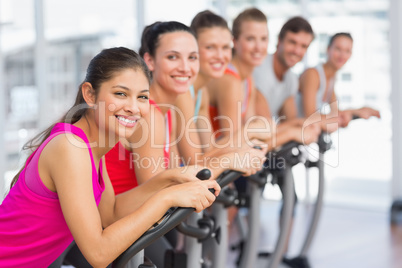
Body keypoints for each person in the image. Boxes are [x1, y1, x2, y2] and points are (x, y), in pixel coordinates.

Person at [0, 47, 221, 267]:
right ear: (90, 94)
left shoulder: (94, 147)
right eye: (121, 94)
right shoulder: (71, 147)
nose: (133, 108)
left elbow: (110, 214)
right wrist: (167, 198)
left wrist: (170, 179)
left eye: (142, 97)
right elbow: (98, 254)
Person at [252, 16, 320, 268]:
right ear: (279, 41)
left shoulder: (290, 78)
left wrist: (299, 127)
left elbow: (295, 120)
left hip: (270, 146)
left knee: (292, 196)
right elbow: (262, 127)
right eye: (293, 42)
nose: (297, 51)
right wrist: (294, 130)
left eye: (303, 46)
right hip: (246, 146)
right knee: (236, 203)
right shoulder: (260, 69)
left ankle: (281, 257)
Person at [298, 32, 380, 129]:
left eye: (347, 51)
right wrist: (345, 116)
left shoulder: (331, 78)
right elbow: (310, 117)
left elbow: (335, 112)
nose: (342, 55)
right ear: (328, 49)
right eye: (338, 49)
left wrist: (360, 110)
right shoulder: (312, 74)